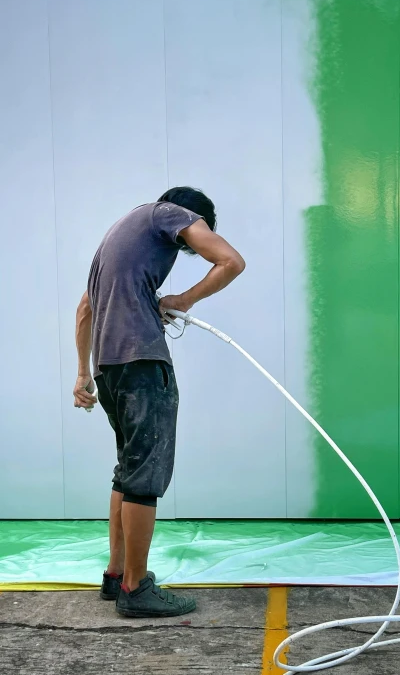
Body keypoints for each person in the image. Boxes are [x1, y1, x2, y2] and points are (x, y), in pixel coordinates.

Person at [72, 187, 245, 617]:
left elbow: (83, 311)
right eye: (190, 237)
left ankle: (115, 577)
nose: (189, 242)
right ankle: (136, 588)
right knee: (145, 478)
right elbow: (231, 262)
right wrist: (182, 300)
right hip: (143, 363)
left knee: (127, 473)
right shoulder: (171, 213)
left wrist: (82, 374)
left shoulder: (112, 241)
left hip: (107, 368)